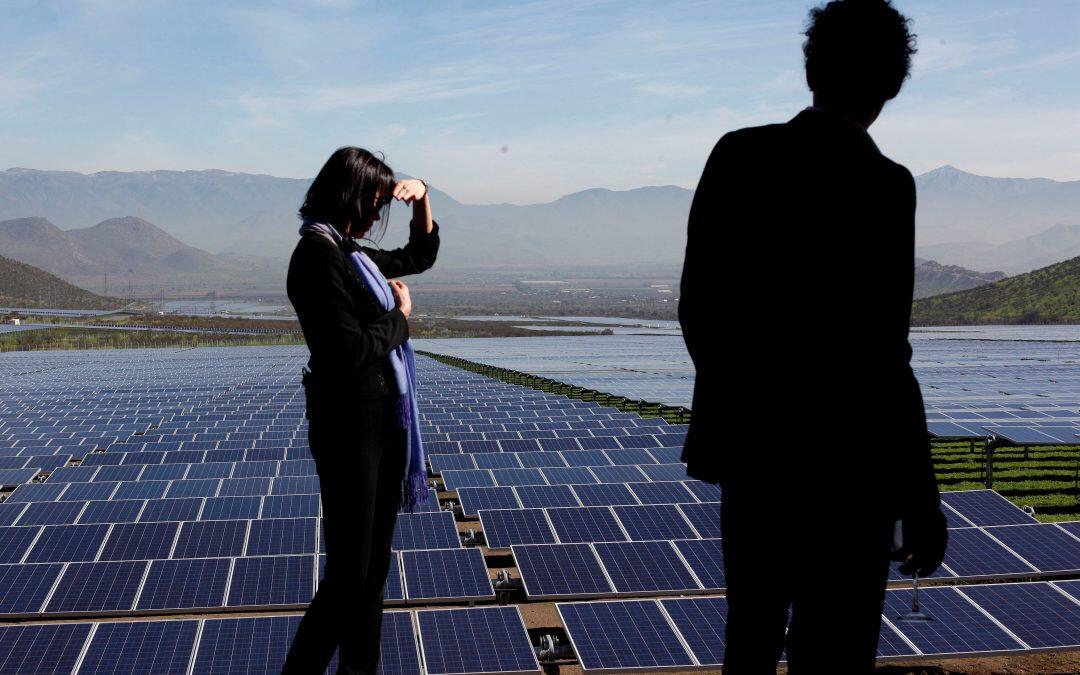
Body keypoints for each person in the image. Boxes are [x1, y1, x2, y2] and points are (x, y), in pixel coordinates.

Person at [678, 1, 946, 672]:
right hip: (852, 471)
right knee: (838, 651)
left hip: (755, 458)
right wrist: (920, 494)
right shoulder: (885, 186)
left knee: (753, 639)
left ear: (810, 69)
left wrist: (746, 409)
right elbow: (888, 352)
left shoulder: (738, 156)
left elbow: (699, 310)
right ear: (891, 84)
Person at [283, 147, 439, 674]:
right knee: (349, 575)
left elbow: (418, 256)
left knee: (372, 572)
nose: (378, 214)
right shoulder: (317, 257)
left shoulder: (352, 253)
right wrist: (400, 317)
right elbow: (345, 351)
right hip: (349, 426)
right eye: (374, 201)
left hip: (382, 422)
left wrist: (422, 198)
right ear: (348, 195)